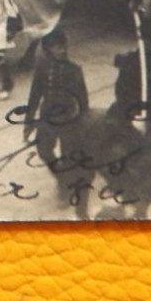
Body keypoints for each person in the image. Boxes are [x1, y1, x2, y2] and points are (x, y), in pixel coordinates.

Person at [23, 28, 90, 215]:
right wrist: (29, 122)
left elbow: (83, 100)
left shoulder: (74, 70)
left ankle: (65, 188)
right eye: (56, 47)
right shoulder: (42, 69)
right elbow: (34, 95)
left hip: (69, 118)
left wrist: (84, 124)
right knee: (44, 150)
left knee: (68, 155)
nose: (62, 50)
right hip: (47, 117)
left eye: (63, 46)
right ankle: (61, 178)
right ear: (49, 50)